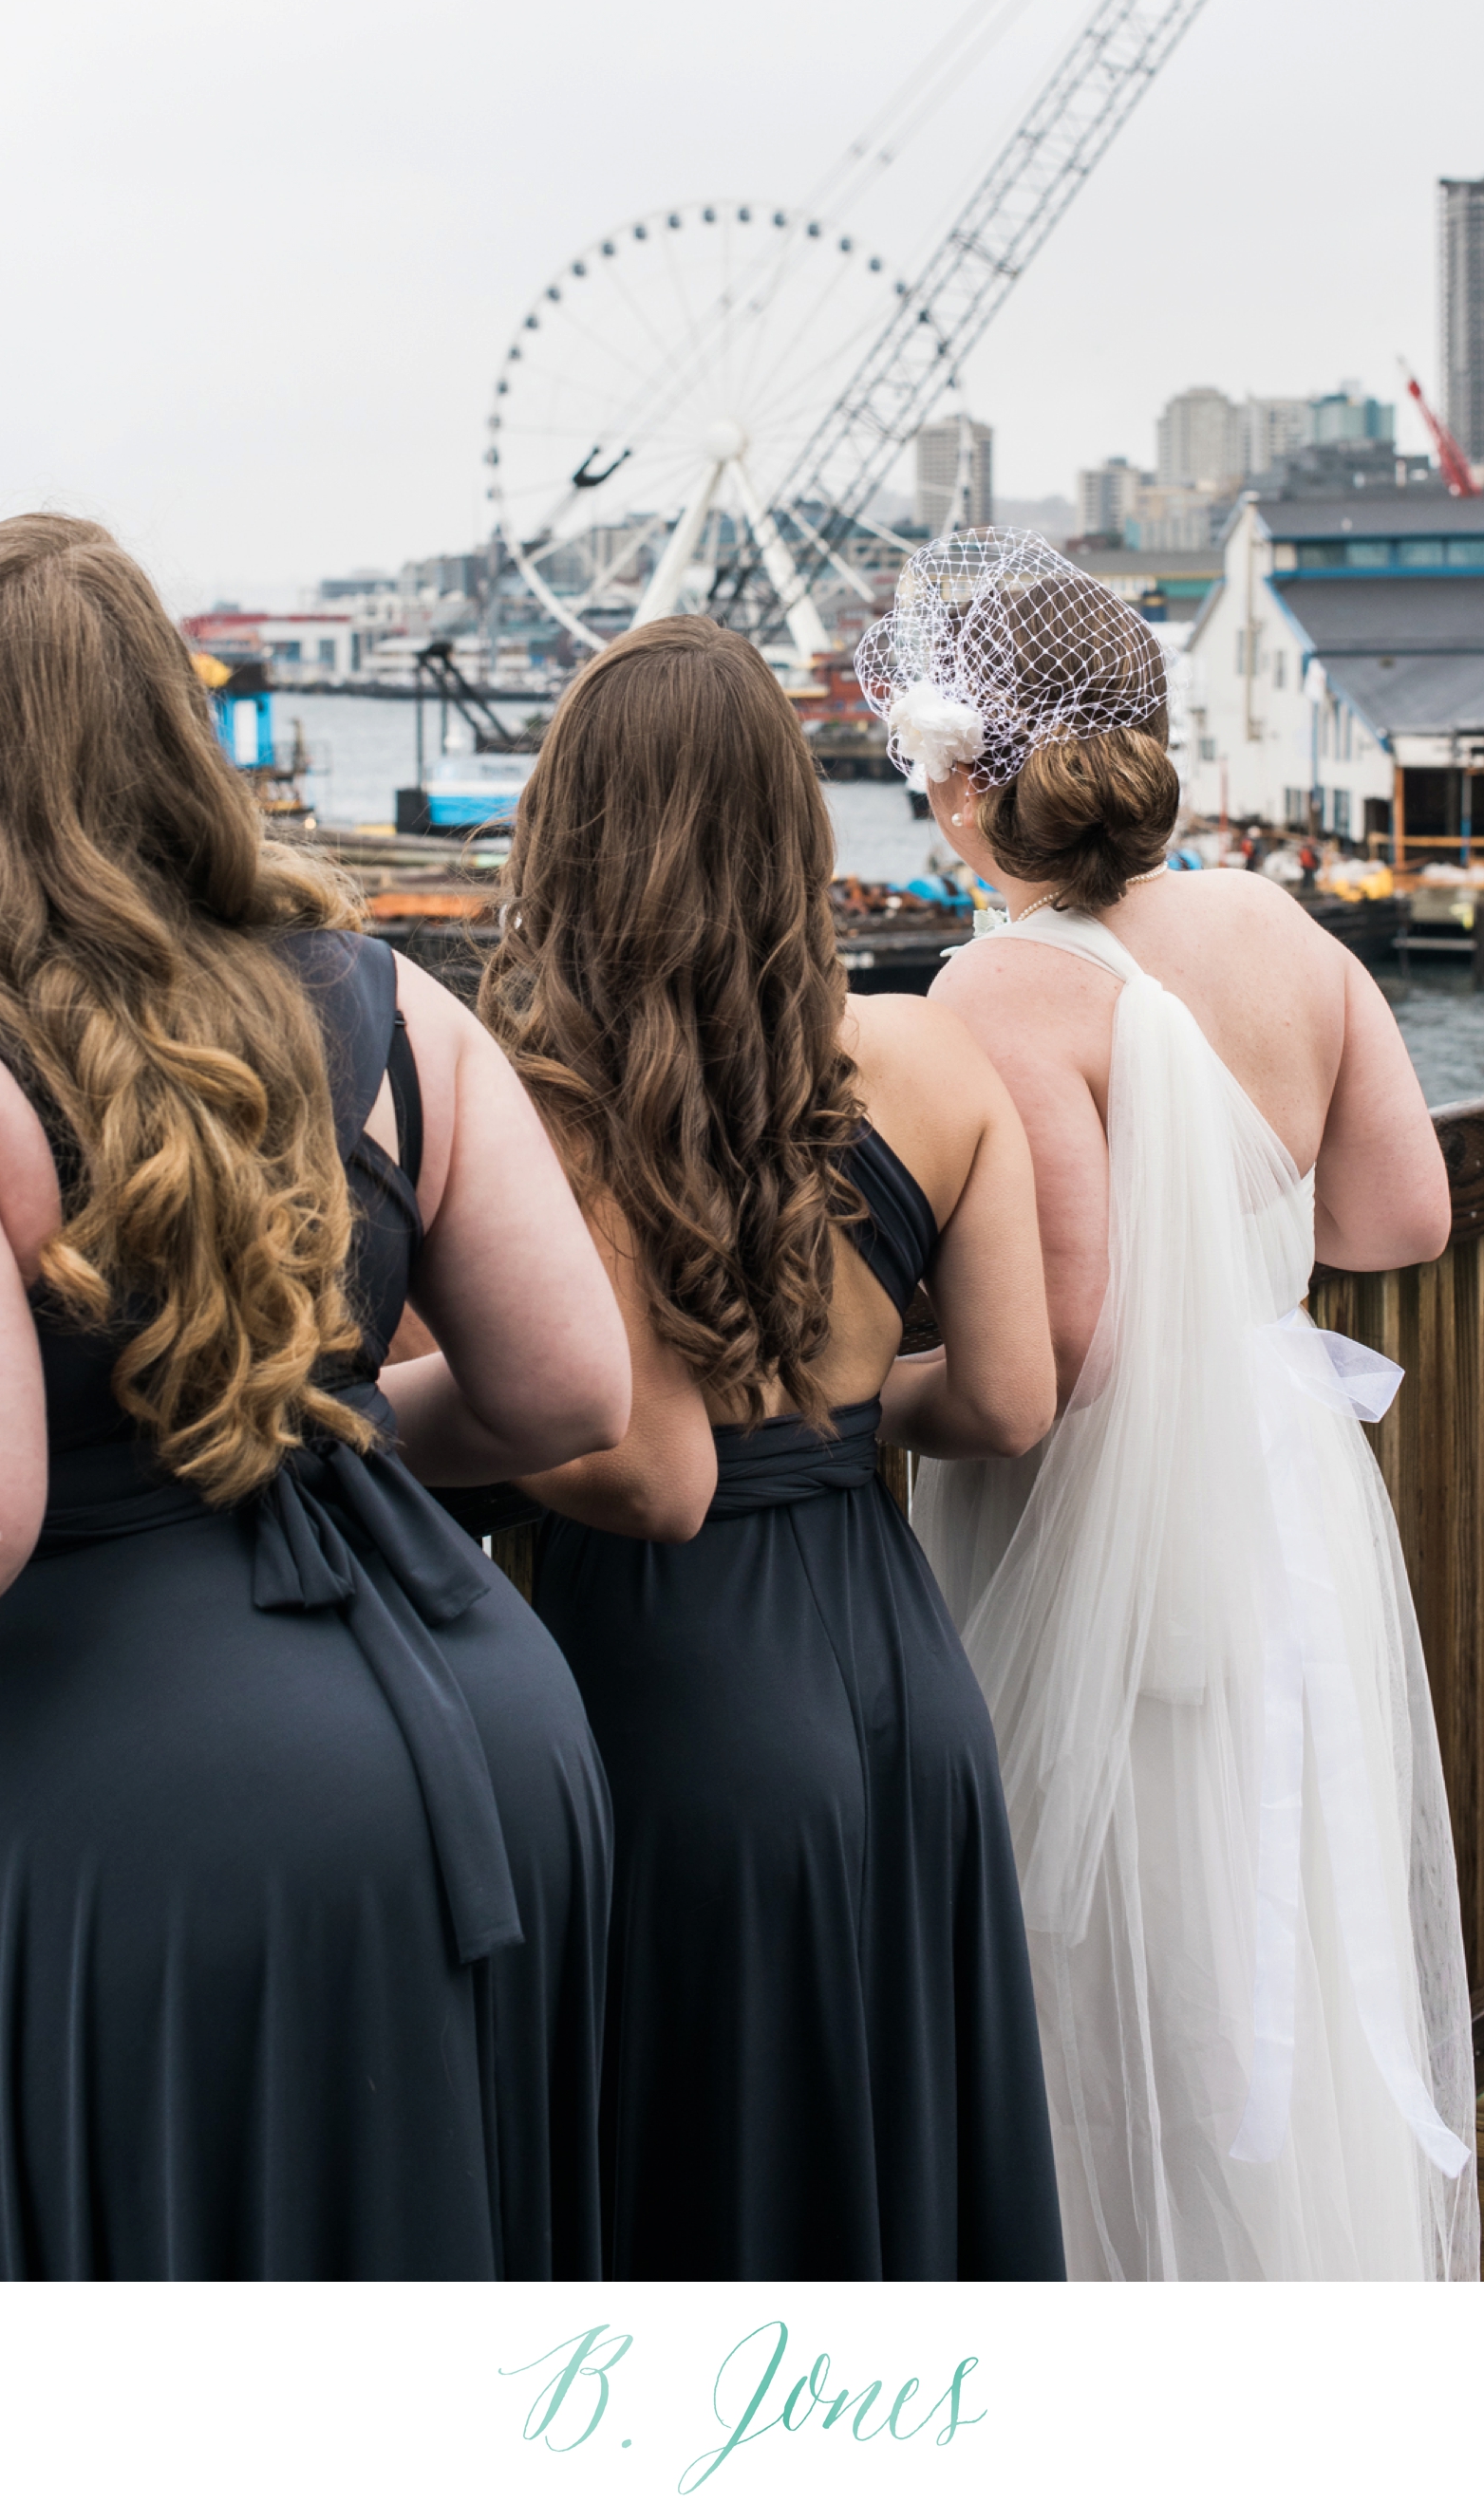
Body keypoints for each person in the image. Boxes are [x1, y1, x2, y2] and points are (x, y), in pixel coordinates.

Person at [0, 513, 632, 2280]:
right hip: (497, 1738)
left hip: (165, 1826)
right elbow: (565, 1392)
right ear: (176, 739)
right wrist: (312, 1430)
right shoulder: (392, 999)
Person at [855, 530, 1476, 2282]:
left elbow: (1067, 1350)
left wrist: (861, 1402)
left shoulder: (1000, 982)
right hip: (1288, 1494)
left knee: (1125, 1945)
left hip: (1122, 1533)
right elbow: (1400, 1220)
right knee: (1280, 1914)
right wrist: (1244, 1263)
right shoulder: (1277, 924)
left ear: (978, 781)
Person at [474, 619, 1066, 2281]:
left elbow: (619, 1442)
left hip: (685, 1674)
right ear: (795, 824)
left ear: (572, 831)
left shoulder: (565, 1095)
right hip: (901, 1658)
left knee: (719, 2185)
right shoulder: (936, 1056)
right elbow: (1011, 1397)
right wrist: (842, 1427)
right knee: (913, 2138)